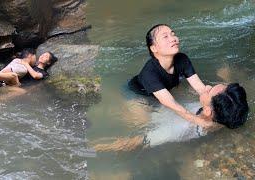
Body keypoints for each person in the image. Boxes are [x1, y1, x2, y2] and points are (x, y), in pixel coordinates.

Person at [94, 83, 249, 152]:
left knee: (124, 90)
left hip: (149, 117)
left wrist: (96, 148)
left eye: (209, 91)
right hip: (167, 108)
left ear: (208, 111)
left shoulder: (178, 129)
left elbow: (135, 142)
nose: (206, 87)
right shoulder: (229, 114)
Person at [129, 24, 213, 126]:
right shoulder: (149, 73)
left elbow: (200, 88)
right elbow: (171, 104)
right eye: (165, 36)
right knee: (145, 124)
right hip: (139, 94)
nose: (173, 39)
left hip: (164, 88)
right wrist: (198, 121)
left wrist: (210, 104)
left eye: (173, 34)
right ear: (154, 48)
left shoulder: (182, 59)